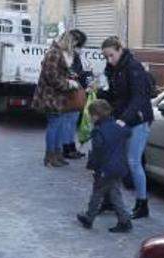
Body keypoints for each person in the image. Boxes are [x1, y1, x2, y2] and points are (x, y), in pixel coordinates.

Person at [98, 36, 154, 219]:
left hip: (137, 120)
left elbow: (139, 98)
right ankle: (109, 201)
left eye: (111, 55)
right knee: (112, 160)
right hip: (121, 118)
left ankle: (142, 204)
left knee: (133, 161)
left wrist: (124, 120)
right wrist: (100, 92)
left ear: (120, 50)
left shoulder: (133, 67)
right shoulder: (113, 69)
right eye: (106, 57)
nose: (109, 60)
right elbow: (116, 95)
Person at [75, 99, 133, 233]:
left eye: (90, 116)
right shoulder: (118, 127)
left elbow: (97, 154)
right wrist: (121, 123)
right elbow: (128, 131)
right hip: (120, 167)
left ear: (95, 116)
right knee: (115, 193)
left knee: (97, 193)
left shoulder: (98, 132)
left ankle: (89, 217)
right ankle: (124, 220)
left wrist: (93, 167)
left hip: (105, 169)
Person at [31, 32, 81, 168]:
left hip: (56, 96)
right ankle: (50, 155)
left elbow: (56, 72)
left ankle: (56, 154)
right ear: (70, 42)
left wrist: (70, 76)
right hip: (51, 96)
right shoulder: (55, 52)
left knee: (57, 125)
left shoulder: (58, 52)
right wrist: (68, 84)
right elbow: (51, 75)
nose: (75, 46)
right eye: (75, 43)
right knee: (54, 125)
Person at [62, 29, 92, 160]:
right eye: (80, 45)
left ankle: (70, 147)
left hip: (75, 91)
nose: (81, 48)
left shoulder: (74, 55)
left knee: (72, 121)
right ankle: (67, 148)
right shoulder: (65, 56)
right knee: (68, 122)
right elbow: (71, 72)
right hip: (70, 92)